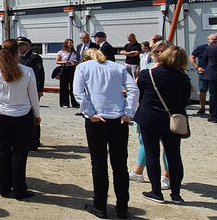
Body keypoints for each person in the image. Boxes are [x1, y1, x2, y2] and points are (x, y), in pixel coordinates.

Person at [74, 49, 138, 219]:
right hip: (118, 119)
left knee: (99, 163)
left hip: (97, 118)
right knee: (120, 165)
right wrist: (128, 112)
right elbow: (134, 89)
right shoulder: (118, 67)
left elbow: (78, 92)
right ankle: (122, 207)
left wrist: (89, 112)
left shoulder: (83, 68)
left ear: (86, 57)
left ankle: (100, 205)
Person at [134, 45, 191, 205]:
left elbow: (139, 94)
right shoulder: (183, 78)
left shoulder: (148, 73)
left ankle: (156, 192)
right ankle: (176, 194)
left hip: (149, 118)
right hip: (173, 120)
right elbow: (185, 100)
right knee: (174, 155)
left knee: (152, 154)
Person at [0, 39, 40, 200]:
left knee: (3, 152)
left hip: (0, 115)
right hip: (22, 116)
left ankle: (3, 187)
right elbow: (33, 97)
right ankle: (19, 189)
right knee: (20, 153)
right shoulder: (28, 71)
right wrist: (37, 115)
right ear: (18, 53)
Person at [129, 40, 171, 190]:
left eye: (163, 51)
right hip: (146, 112)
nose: (159, 54)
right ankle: (138, 171)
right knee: (144, 141)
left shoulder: (175, 68)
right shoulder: (146, 67)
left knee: (168, 145)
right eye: (157, 51)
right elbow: (136, 88)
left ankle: (166, 175)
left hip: (166, 113)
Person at [17, 36, 44, 150]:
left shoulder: (34, 58)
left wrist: (39, 90)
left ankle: (34, 141)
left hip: (32, 91)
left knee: (33, 115)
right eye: (18, 45)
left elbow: (39, 75)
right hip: (22, 92)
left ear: (28, 45)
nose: (20, 47)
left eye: (22, 45)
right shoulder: (18, 58)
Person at [190, 34, 217, 115]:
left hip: (215, 73)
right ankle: (202, 108)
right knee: (202, 91)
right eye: (213, 39)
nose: (215, 41)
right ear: (208, 39)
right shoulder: (201, 48)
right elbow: (192, 57)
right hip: (203, 73)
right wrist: (197, 67)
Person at [55, 39, 79, 108]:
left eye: (72, 43)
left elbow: (77, 61)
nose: (71, 44)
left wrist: (76, 63)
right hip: (64, 69)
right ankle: (64, 103)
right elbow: (57, 61)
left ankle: (75, 103)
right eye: (70, 43)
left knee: (73, 86)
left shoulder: (74, 53)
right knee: (64, 87)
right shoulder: (61, 52)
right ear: (66, 44)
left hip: (72, 69)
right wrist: (65, 62)